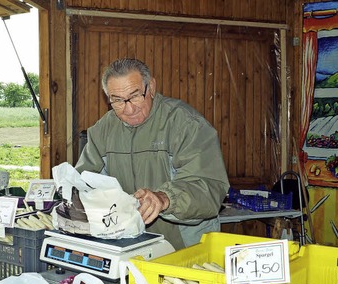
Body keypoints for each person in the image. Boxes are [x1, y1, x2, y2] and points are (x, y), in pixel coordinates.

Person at [75, 58, 230, 249]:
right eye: (117, 100)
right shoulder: (102, 131)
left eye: (135, 96)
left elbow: (209, 187)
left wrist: (166, 198)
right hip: (129, 245)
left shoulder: (186, 124)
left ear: (152, 87)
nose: (129, 109)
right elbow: (84, 183)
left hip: (185, 247)